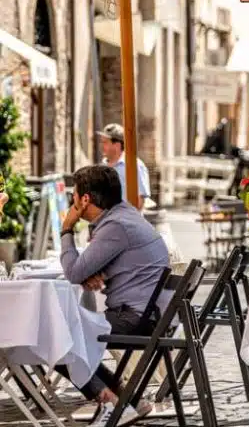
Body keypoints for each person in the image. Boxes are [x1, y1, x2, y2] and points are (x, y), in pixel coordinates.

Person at [58, 165, 170, 426]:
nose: (72, 200)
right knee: (67, 328)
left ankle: (108, 402)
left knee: (57, 332)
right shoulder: (124, 215)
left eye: (74, 194)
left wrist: (66, 229)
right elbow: (86, 268)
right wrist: (91, 271)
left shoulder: (115, 226)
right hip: (151, 314)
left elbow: (73, 272)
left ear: (85, 200)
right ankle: (127, 399)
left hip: (138, 319)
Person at [96, 124, 151, 210]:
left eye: (105, 142)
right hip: (107, 222)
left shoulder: (135, 165)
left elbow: (139, 201)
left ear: (117, 145)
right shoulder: (102, 167)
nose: (101, 146)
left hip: (126, 221)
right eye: (101, 142)